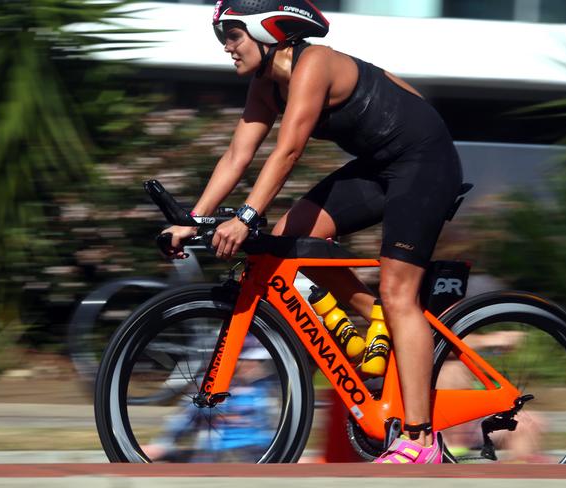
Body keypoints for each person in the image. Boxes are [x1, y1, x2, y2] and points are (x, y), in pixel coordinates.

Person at [163, 0, 463, 464]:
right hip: (379, 167)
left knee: (399, 290)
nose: (227, 48)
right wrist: (190, 218)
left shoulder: (314, 64)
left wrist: (244, 217)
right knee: (288, 243)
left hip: (424, 162)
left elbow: (288, 151)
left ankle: (421, 441)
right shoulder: (265, 87)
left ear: (266, 33)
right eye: (221, 39)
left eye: (232, 36)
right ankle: (372, 316)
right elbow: (236, 157)